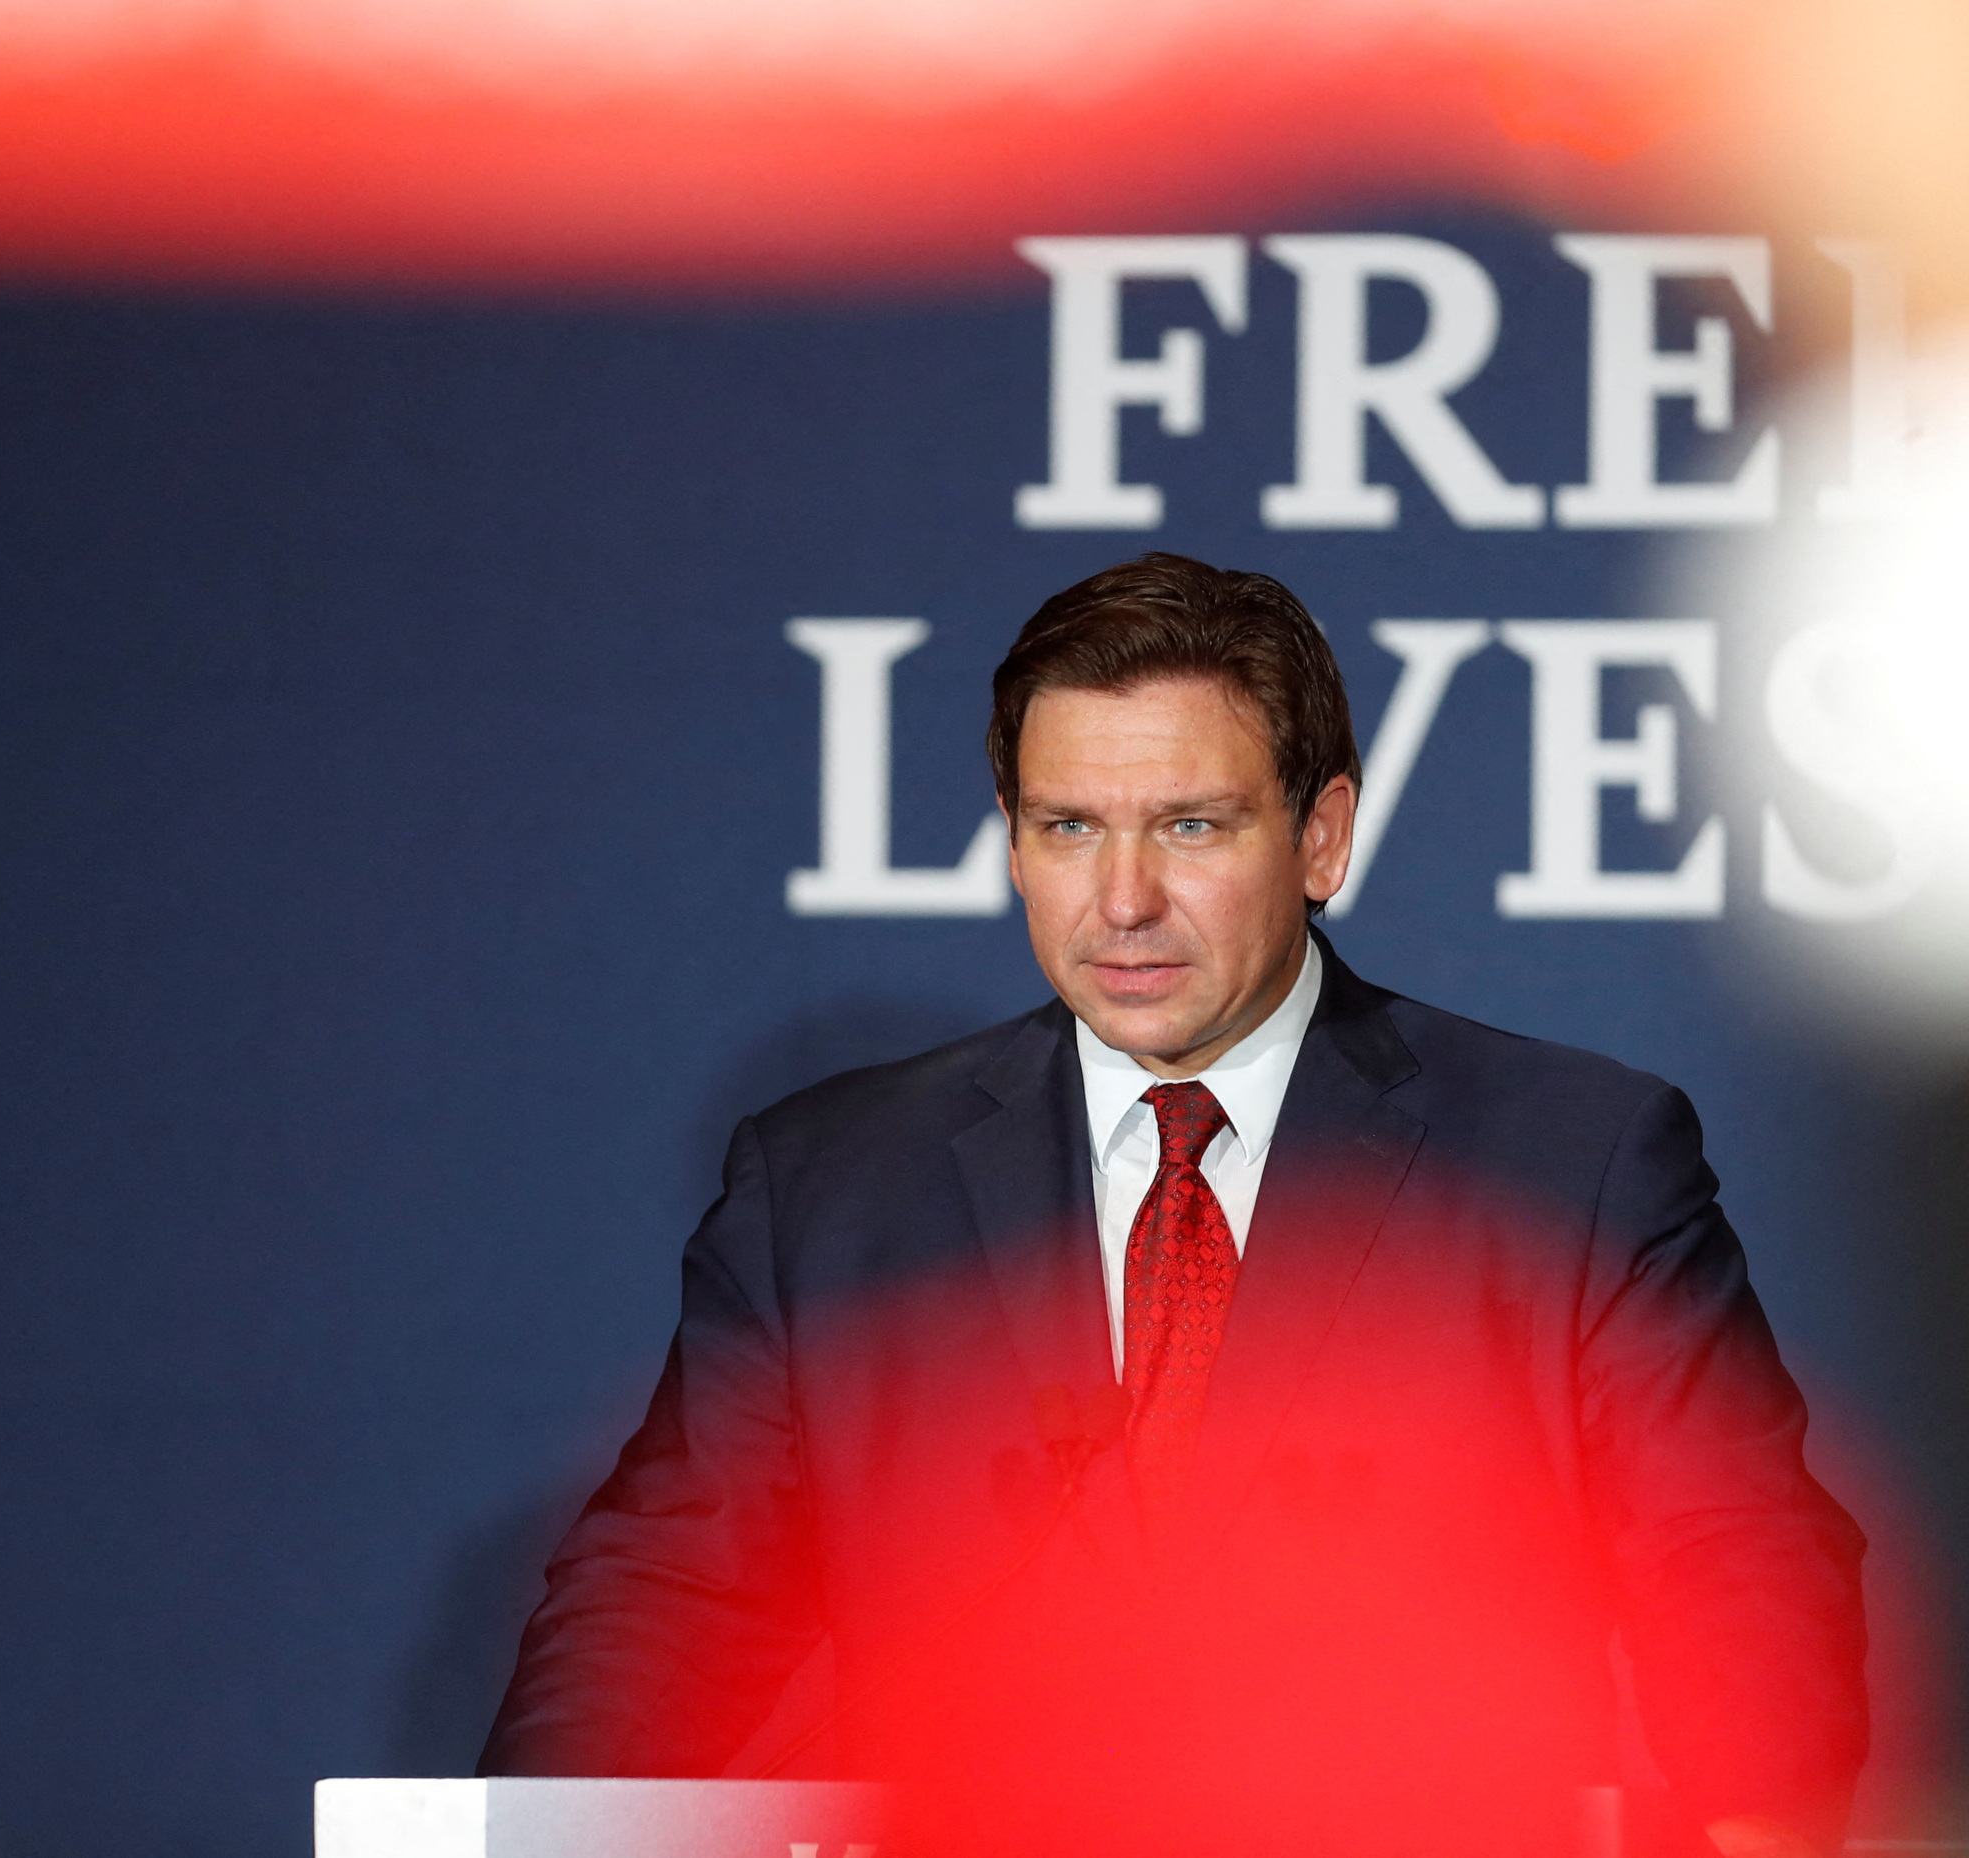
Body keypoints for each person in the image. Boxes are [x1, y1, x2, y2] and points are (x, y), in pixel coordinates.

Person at [482, 554, 1868, 1858]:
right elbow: (667, 1592)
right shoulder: (831, 1185)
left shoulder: (1567, 1161)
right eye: (1067, 826)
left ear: (1319, 834)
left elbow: (1736, 1568)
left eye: (1190, 825)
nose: (1123, 898)